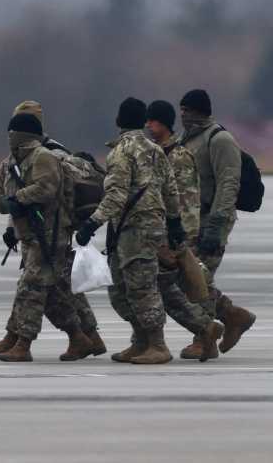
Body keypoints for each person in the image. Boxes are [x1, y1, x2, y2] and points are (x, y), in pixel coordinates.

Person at [0, 110, 104, 362]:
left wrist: (18, 199)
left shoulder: (43, 157)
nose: (9, 137)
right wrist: (10, 209)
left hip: (49, 236)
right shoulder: (11, 162)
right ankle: (79, 337)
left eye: (12, 132)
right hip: (28, 236)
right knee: (50, 293)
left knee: (32, 290)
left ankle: (23, 344)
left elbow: (47, 188)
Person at [95, 96, 190, 365]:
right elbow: (170, 190)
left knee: (138, 289)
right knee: (126, 287)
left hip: (133, 230)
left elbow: (115, 195)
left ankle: (157, 345)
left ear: (119, 121)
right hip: (147, 229)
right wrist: (174, 224)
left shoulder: (120, 152)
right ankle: (141, 341)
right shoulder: (155, 149)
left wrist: (92, 223)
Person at [140, 100, 225, 360]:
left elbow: (188, 202)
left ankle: (204, 334)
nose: (148, 125)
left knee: (186, 286)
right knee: (166, 288)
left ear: (164, 124)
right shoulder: (154, 153)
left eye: (153, 121)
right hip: (157, 235)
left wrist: (181, 243)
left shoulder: (178, 156)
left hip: (175, 238)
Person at [175, 88, 257, 355]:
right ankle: (232, 316)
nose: (183, 115)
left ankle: (204, 339)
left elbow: (228, 182)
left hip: (213, 218)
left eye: (187, 110)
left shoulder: (219, 139)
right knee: (190, 277)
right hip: (192, 220)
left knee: (196, 277)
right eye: (182, 110)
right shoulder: (187, 140)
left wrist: (217, 224)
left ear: (200, 111)